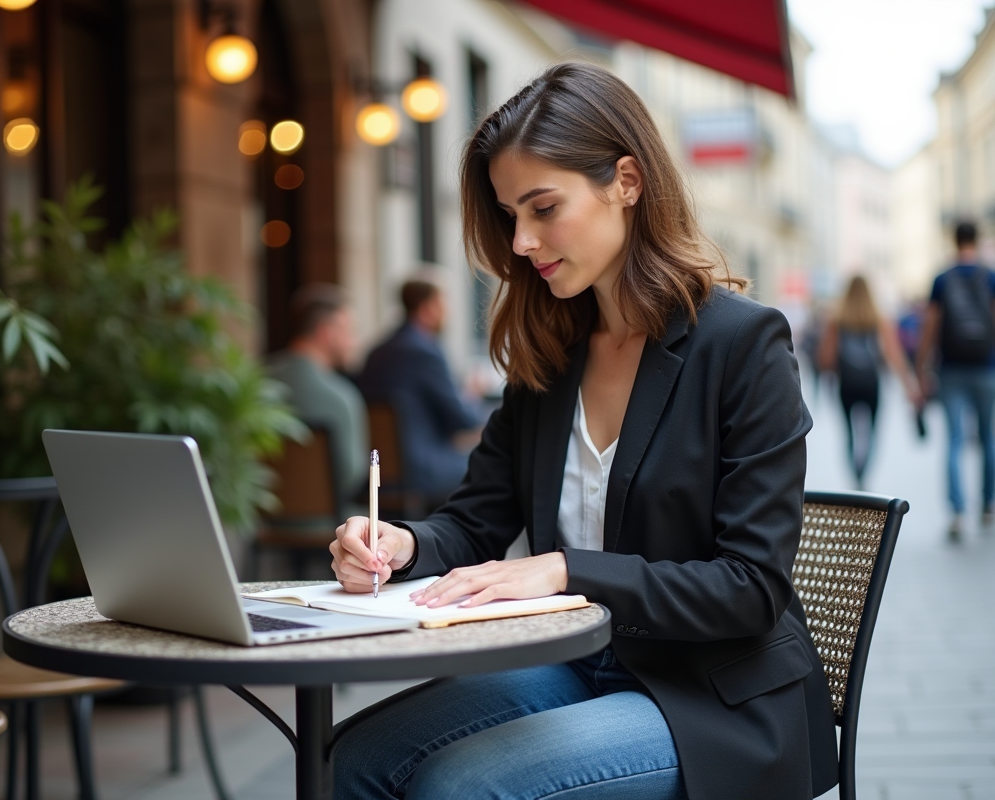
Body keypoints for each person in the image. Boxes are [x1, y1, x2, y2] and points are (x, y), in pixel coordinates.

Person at [329, 62, 837, 800]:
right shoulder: (553, 350)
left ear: (626, 181)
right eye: (510, 216)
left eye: (543, 208)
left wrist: (567, 568)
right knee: (353, 758)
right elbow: (476, 523)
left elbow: (750, 588)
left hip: (713, 696)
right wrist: (402, 545)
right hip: (580, 660)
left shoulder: (742, 344)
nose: (523, 241)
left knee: (461, 787)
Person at [357, 279, 482, 502]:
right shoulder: (425, 351)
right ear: (428, 308)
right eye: (443, 305)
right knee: (489, 465)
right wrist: (474, 394)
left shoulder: (376, 351)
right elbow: (462, 419)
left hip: (379, 469)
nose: (447, 313)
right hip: (420, 469)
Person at [916, 221, 995, 540]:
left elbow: (931, 327)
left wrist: (922, 368)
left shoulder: (942, 279)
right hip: (986, 367)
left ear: (954, 240)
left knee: (954, 441)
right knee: (988, 437)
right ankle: (988, 505)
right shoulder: (989, 276)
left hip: (950, 369)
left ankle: (957, 513)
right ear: (977, 240)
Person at [267, 283, 369, 505]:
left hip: (264, 523)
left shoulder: (258, 383)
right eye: (350, 332)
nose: (355, 342)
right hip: (331, 525)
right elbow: (352, 476)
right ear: (326, 333)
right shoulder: (341, 397)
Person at [817, 275, 921, 488]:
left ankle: (855, 476)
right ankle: (864, 475)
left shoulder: (837, 321)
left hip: (846, 385)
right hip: (871, 384)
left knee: (848, 433)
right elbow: (895, 356)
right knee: (872, 432)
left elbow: (825, 360)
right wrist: (910, 387)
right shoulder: (879, 320)